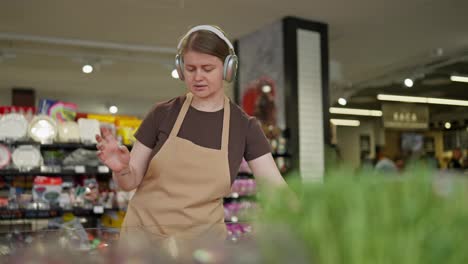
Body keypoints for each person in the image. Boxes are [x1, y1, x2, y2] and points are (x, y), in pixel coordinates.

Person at [95, 25, 287, 248]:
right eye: (191, 68)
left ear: (228, 69)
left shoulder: (244, 127)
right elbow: (130, 182)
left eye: (207, 68)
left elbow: (274, 187)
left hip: (202, 249)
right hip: (144, 244)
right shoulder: (162, 114)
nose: (198, 77)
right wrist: (121, 169)